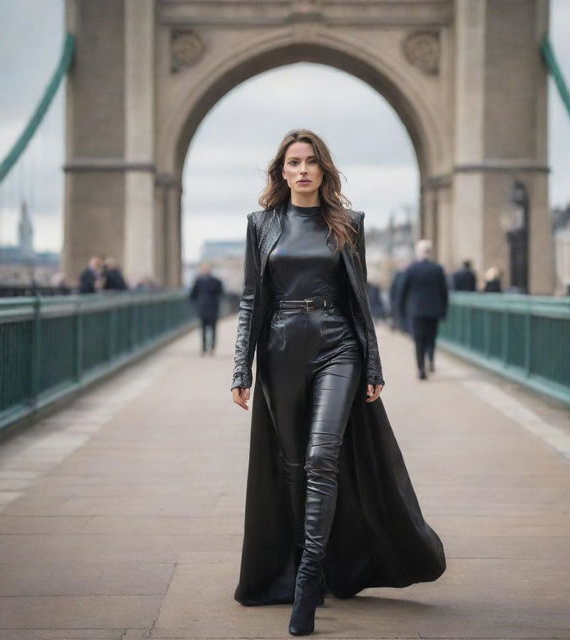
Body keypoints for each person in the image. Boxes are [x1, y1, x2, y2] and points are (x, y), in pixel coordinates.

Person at [230, 129, 446, 636]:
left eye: (310, 162)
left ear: (324, 170)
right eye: (292, 163)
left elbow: (360, 299)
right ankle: (308, 564)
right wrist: (241, 367)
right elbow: (249, 299)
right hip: (280, 346)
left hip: (337, 344)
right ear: (281, 173)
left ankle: (307, 583)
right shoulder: (262, 225)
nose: (302, 170)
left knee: (323, 455)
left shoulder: (348, 223)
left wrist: (372, 362)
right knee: (291, 465)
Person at [398, 240, 448, 380]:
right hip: (434, 310)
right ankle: (431, 359)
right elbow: (444, 292)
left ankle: (421, 369)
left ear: (418, 252)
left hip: (417, 311)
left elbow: (403, 291)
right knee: (431, 337)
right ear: (430, 252)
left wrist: (401, 311)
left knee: (419, 340)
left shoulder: (411, 269)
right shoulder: (438, 269)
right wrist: (443, 310)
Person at [189, 262, 224, 355]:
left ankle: (212, 347)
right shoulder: (198, 281)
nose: (205, 270)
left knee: (213, 329)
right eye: (204, 269)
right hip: (203, 309)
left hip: (213, 309)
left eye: (206, 268)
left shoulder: (216, 281)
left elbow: (221, 292)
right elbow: (193, 295)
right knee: (203, 330)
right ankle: (204, 348)